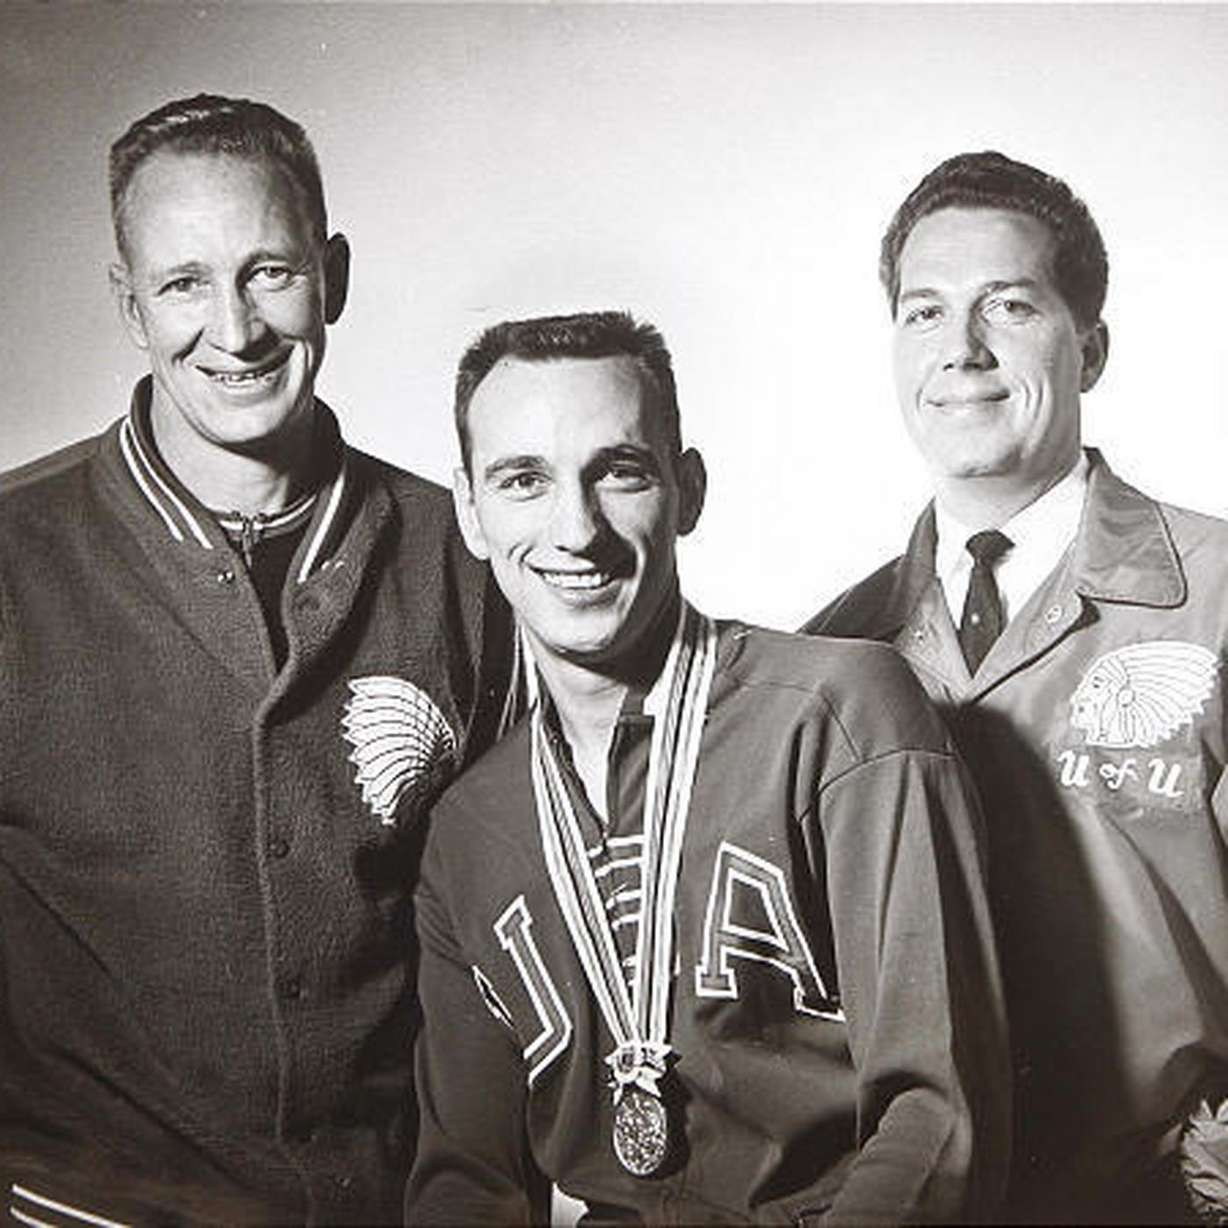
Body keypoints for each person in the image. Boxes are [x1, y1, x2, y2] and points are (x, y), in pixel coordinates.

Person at [0, 94, 515, 1224]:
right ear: (128, 306)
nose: (234, 332)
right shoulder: (12, 559)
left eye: (269, 272)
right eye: (184, 283)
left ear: (334, 276)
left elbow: (517, 928)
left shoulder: (467, 555)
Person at [405, 310, 1009, 1224]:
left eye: (619, 472)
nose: (576, 530)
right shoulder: (470, 829)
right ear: (471, 512)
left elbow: (938, 1117)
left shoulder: (840, 715)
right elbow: (464, 1183)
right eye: (523, 480)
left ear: (687, 490)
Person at [806, 151, 1228, 1223]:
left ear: (1090, 347)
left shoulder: (1217, 598)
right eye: (924, 311)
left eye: (1008, 304)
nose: (962, 347)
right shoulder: (833, 652)